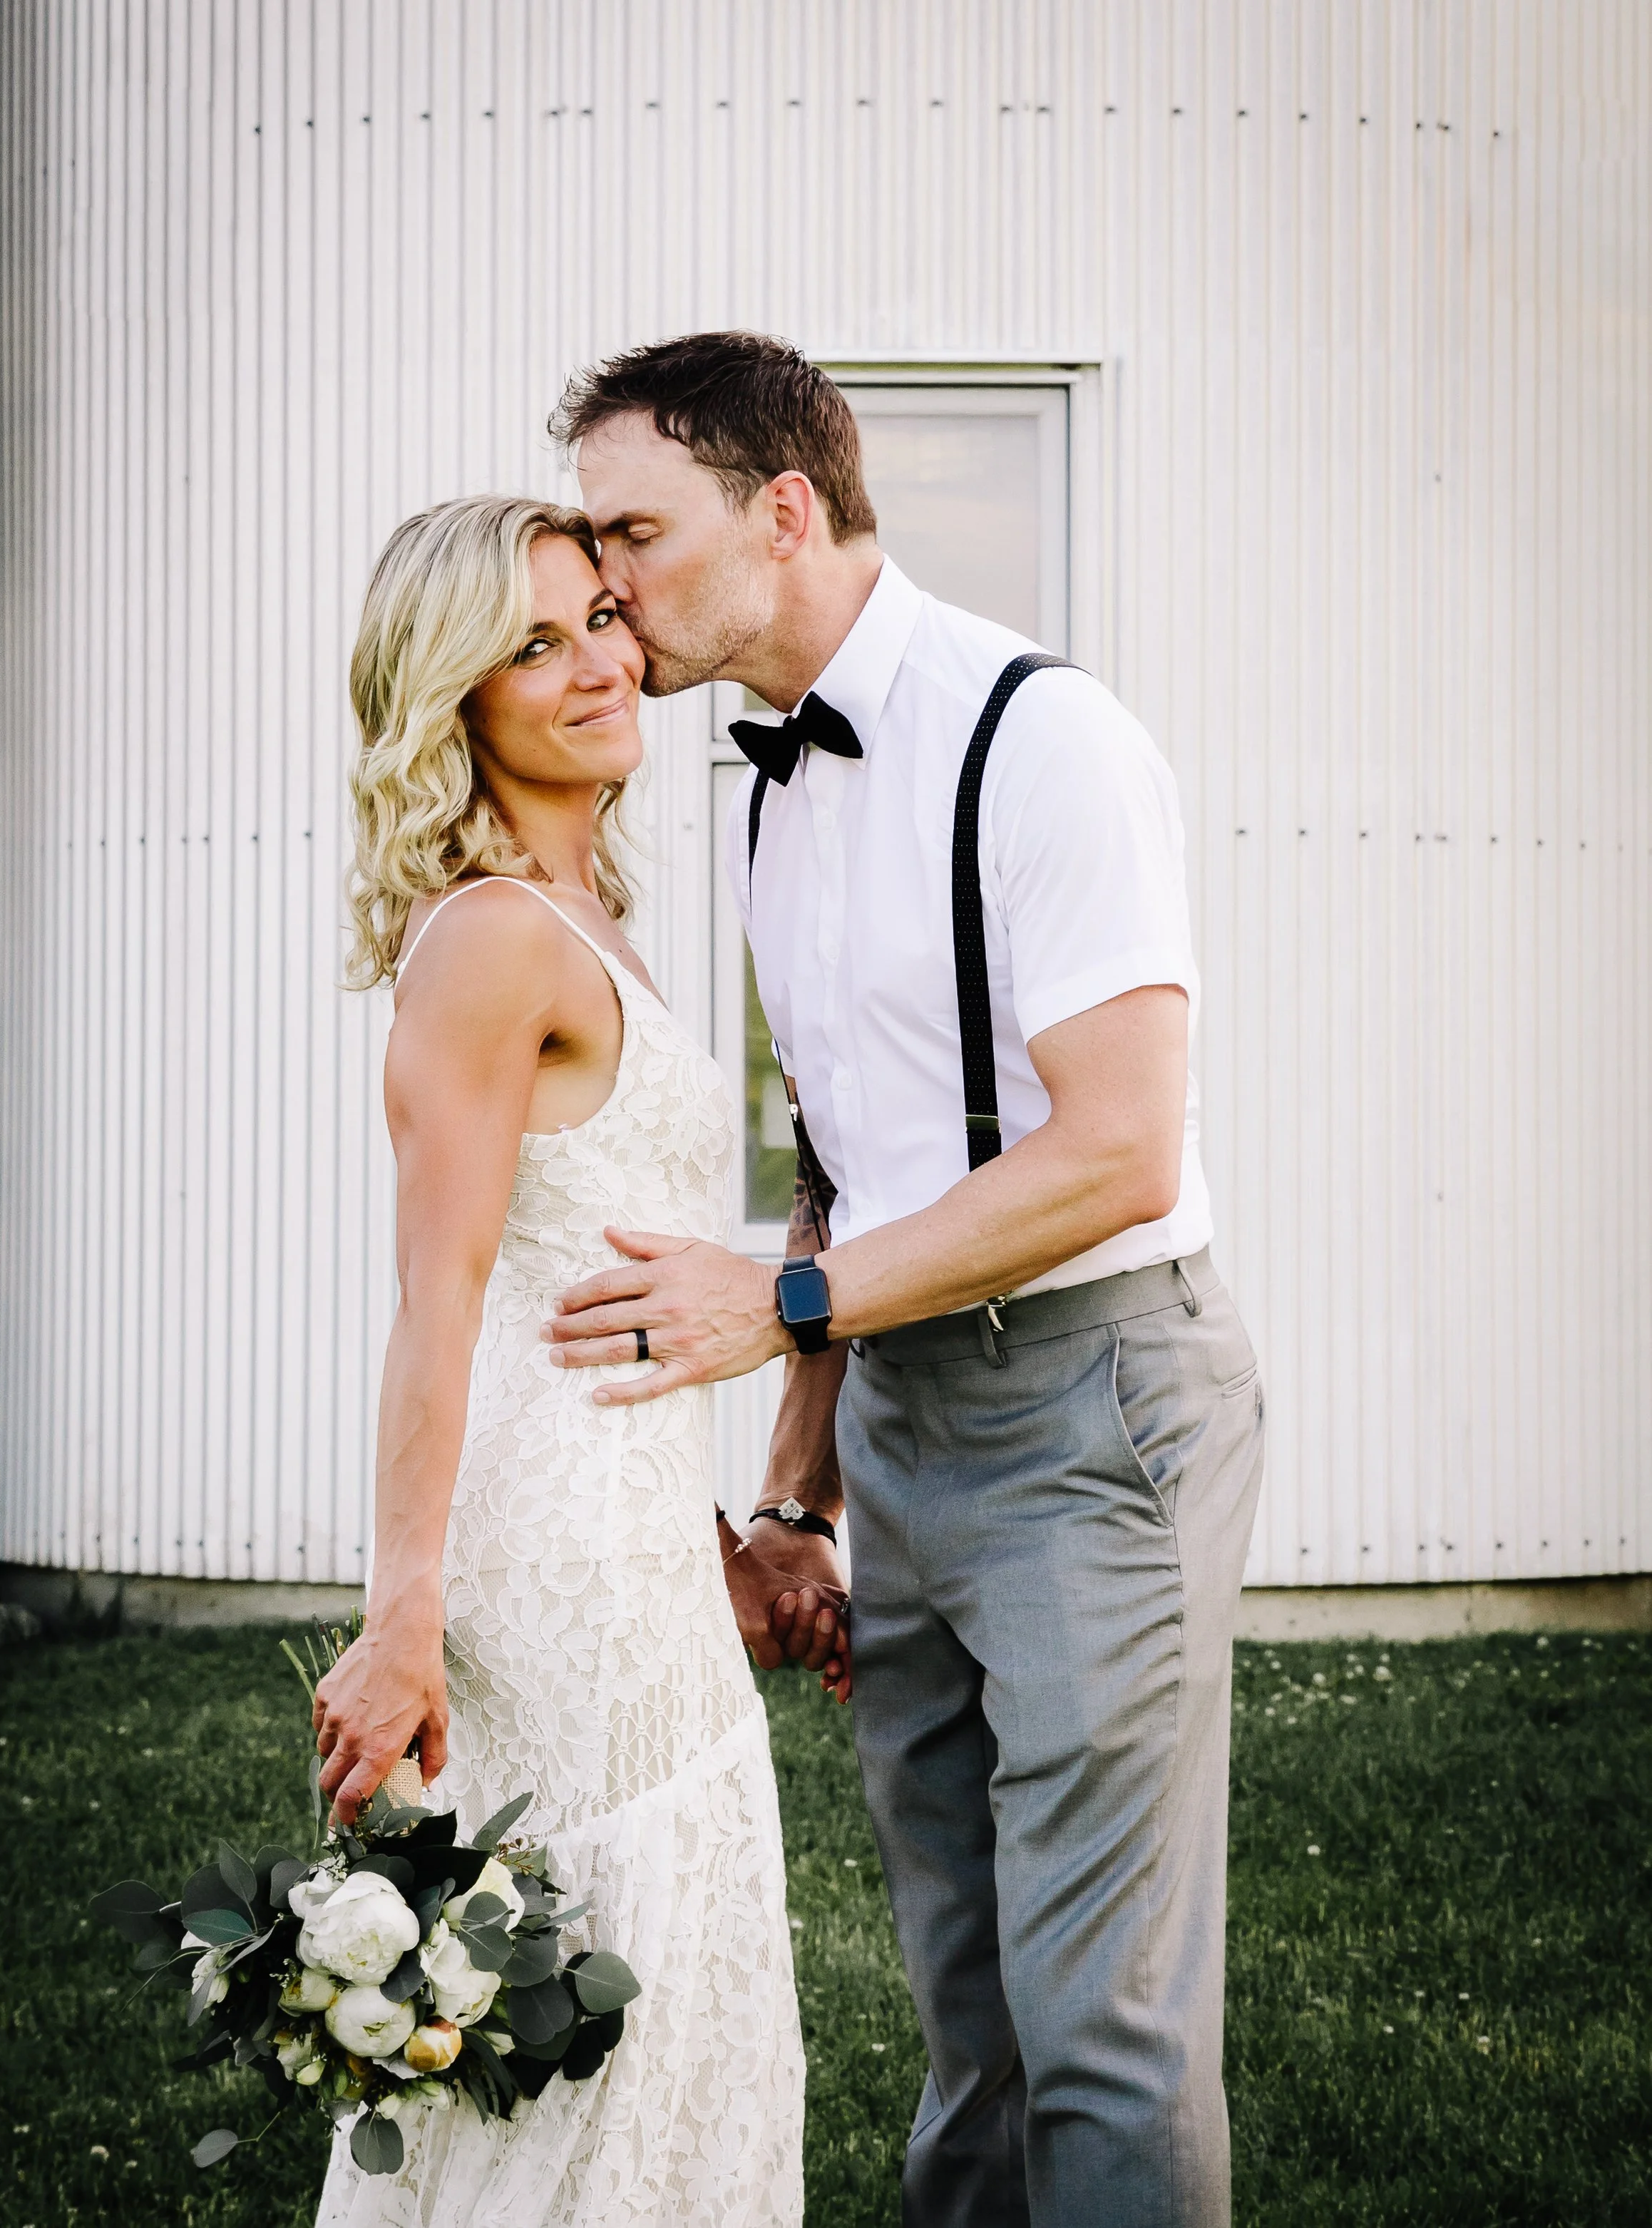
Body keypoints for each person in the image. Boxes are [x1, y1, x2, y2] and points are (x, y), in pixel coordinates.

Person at [544, 332, 1266, 2228]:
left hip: (1091, 1406)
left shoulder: (1045, 741)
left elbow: (1115, 1148)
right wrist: (797, 1490)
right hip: (898, 1416)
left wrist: (782, 1312)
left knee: (1099, 2025)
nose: (607, 585)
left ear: (782, 510)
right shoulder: (766, 793)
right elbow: (838, 1168)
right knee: (970, 2017)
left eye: (636, 533)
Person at [309, 494, 816, 2226]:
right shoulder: (492, 937)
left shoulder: (587, 916)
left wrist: (716, 1534)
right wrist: (400, 1612)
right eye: (534, 643)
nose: (601, 660)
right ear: (455, 696)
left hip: (632, 1530)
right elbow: (437, 1295)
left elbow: (595, 1264)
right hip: (549, 1557)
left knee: (660, 1984)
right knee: (597, 1999)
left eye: (599, 614)